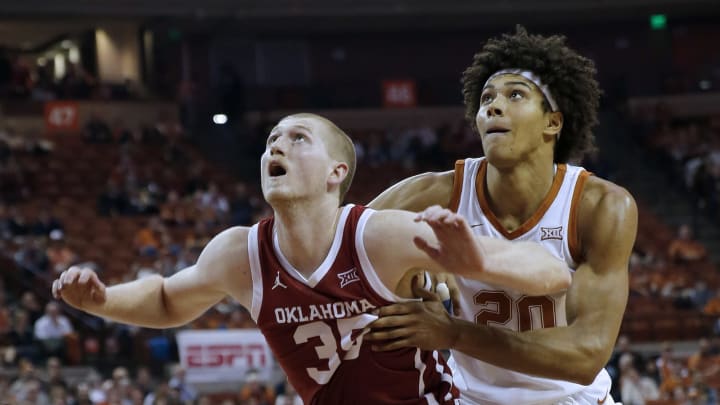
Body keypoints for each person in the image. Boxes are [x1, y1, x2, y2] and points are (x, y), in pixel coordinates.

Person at [52, 113, 571, 405]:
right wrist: (102, 300)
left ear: (335, 173)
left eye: (298, 138)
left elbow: (551, 274)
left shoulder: (379, 236)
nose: (276, 146)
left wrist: (479, 264)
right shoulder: (240, 253)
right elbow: (166, 300)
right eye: (272, 139)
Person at [366, 27, 638, 405]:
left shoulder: (600, 206)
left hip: (574, 398)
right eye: (487, 98)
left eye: (515, 95)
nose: (493, 106)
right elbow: (343, 246)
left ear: (553, 122)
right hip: (471, 399)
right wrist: (409, 271)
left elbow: (586, 356)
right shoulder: (434, 194)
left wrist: (453, 334)